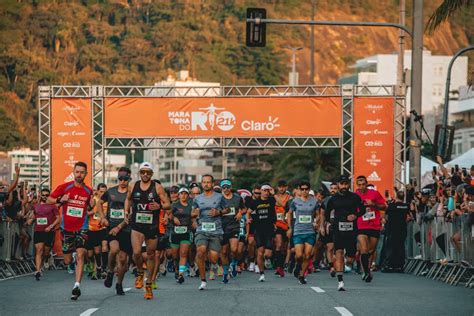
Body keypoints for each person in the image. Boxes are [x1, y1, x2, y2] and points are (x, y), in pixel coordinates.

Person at [47, 161, 93, 300]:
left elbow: (89, 208)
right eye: (77, 172)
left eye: (82, 172)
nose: (79, 174)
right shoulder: (64, 187)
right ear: (74, 172)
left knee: (80, 255)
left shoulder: (88, 191)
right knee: (67, 260)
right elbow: (49, 199)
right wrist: (61, 199)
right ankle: (71, 261)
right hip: (67, 228)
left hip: (82, 227)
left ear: (86, 174)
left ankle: (77, 285)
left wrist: (92, 205)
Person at [125, 162, 170, 300]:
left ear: (152, 174)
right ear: (139, 173)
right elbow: (128, 199)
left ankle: (149, 283)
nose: (145, 174)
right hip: (137, 225)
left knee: (151, 255)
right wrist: (126, 211)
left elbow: (168, 204)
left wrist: (160, 206)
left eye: (148, 172)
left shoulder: (157, 187)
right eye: (143, 172)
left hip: (152, 226)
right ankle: (139, 272)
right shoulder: (133, 185)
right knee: (137, 252)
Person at [325, 175, 365, 291]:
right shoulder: (333, 199)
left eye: (346, 184)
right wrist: (329, 223)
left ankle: (344, 265)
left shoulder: (355, 197)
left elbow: (362, 210)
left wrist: (355, 215)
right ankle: (340, 281)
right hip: (338, 229)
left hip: (351, 229)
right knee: (339, 252)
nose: (344, 186)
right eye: (342, 184)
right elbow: (327, 213)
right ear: (338, 185)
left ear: (349, 184)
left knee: (350, 258)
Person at [98, 167, 133, 295]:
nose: (123, 181)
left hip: (126, 229)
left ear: (129, 179)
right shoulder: (111, 191)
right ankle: (110, 271)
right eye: (120, 179)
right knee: (113, 249)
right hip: (111, 227)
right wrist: (102, 217)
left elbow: (129, 215)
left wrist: (120, 226)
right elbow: (99, 203)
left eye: (125, 179)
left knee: (123, 259)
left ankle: (119, 284)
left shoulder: (131, 194)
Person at [191, 174, 229, 290]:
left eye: (208, 182)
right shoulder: (197, 198)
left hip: (216, 231)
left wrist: (219, 213)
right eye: (204, 182)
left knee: (213, 258)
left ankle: (214, 263)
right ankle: (203, 280)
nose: (206, 184)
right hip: (202, 229)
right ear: (201, 184)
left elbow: (227, 209)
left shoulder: (219, 197)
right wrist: (194, 216)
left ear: (212, 184)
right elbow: (192, 212)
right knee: (200, 251)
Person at [355, 175, 387, 282]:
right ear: (357, 185)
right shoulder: (355, 196)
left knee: (371, 250)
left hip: (374, 225)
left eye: (363, 184)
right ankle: (366, 272)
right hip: (361, 225)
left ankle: (366, 267)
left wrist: (373, 204)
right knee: (363, 249)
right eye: (359, 185)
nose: (362, 187)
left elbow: (384, 206)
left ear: (367, 184)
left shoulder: (374, 193)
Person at [287, 181, 320, 285]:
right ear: (299, 190)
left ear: (309, 189)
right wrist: (289, 227)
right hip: (298, 231)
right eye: (302, 189)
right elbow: (289, 213)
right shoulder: (295, 201)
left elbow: (318, 214)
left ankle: (301, 275)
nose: (304, 191)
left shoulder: (314, 201)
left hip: (310, 231)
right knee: (299, 255)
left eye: (306, 189)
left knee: (308, 255)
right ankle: (297, 265)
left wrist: (316, 222)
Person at [27, 188, 59, 281]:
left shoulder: (53, 206)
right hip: (38, 230)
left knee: (45, 251)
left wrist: (51, 226)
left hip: (49, 231)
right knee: (39, 250)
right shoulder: (36, 206)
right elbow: (33, 215)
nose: (45, 197)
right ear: (40, 195)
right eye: (43, 195)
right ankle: (37, 270)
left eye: (47, 195)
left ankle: (46, 258)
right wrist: (30, 220)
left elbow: (58, 218)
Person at [248, 184, 276, 282]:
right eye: (264, 190)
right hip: (259, 230)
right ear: (261, 191)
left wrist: (273, 193)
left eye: (268, 191)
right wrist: (248, 219)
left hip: (269, 230)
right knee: (260, 253)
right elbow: (248, 212)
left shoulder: (272, 200)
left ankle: (267, 259)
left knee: (268, 253)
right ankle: (262, 273)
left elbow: (280, 204)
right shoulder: (255, 202)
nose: (266, 192)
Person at [219, 179, 246, 283]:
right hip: (222, 228)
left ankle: (234, 263)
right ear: (222, 188)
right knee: (224, 252)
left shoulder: (237, 198)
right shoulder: (218, 199)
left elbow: (244, 209)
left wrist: (240, 213)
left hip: (234, 226)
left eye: (227, 187)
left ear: (231, 187)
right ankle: (226, 272)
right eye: (224, 187)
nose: (226, 189)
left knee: (234, 249)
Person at [170, 187, 193, 284]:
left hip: (186, 232)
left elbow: (194, 214)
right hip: (175, 233)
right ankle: (176, 268)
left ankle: (180, 274)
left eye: (185, 194)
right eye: (181, 194)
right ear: (178, 195)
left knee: (183, 253)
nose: (183, 196)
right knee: (175, 256)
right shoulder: (174, 205)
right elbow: (168, 215)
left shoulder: (191, 205)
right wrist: (173, 217)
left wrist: (195, 219)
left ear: (188, 195)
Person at [86, 183, 108, 280]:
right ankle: (97, 266)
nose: (103, 193)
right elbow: (85, 213)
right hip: (92, 229)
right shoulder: (93, 201)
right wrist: (94, 211)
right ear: (97, 191)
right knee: (93, 253)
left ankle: (103, 269)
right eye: (101, 191)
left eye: (105, 192)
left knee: (104, 248)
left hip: (103, 228)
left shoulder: (108, 201)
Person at [383, 190, 410, 272]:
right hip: (402, 230)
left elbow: (386, 217)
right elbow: (409, 217)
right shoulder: (406, 206)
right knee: (400, 247)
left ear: (396, 196)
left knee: (391, 247)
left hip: (392, 230)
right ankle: (400, 266)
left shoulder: (391, 206)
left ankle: (390, 266)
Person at [318, 182, 338, 277]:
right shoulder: (325, 200)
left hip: (340, 227)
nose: (333, 190)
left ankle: (340, 264)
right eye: (332, 188)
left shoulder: (343, 200)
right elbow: (322, 214)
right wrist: (321, 226)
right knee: (329, 247)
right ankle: (331, 267)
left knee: (338, 248)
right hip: (328, 227)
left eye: (335, 188)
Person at [273, 180, 291, 277]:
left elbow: (286, 206)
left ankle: (282, 265)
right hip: (277, 225)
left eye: (283, 186)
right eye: (280, 186)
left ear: (286, 187)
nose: (282, 188)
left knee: (284, 248)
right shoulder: (273, 198)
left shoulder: (290, 198)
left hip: (287, 225)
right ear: (277, 187)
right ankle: (278, 267)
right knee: (278, 245)